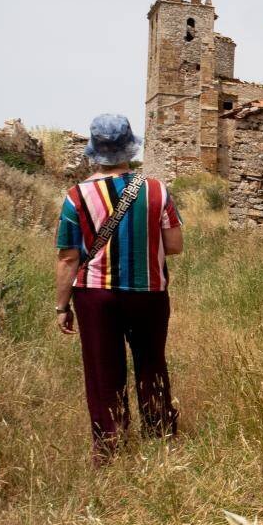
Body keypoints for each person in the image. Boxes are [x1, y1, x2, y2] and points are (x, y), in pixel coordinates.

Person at [54, 114, 184, 464]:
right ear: (130, 147)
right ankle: (160, 437)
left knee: (103, 369)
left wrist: (62, 307)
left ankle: (110, 448)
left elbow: (68, 258)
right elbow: (174, 245)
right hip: (149, 293)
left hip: (95, 295)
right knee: (151, 364)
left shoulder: (75, 197)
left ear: (94, 151)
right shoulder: (156, 190)